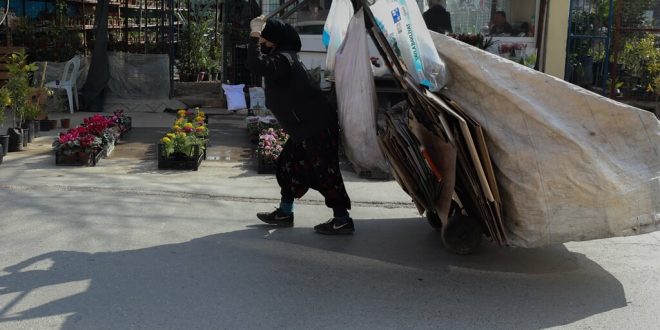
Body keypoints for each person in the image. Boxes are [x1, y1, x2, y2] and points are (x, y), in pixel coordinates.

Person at [246, 16, 354, 235]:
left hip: (316, 125)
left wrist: (254, 34)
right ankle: (285, 213)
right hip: (304, 127)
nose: (263, 44)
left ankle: (342, 219)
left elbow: (255, 64)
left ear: (274, 41)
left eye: (265, 40)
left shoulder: (283, 60)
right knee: (288, 165)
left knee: (326, 171)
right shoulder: (283, 57)